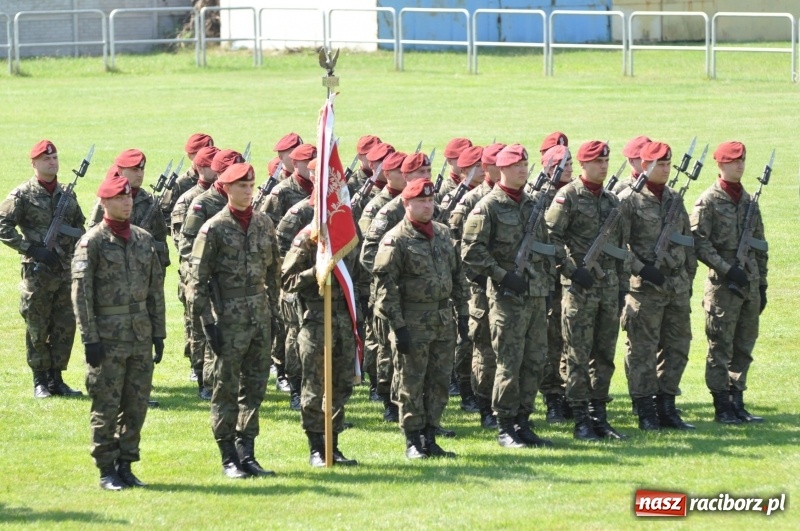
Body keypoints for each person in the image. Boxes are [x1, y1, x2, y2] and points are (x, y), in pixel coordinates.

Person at [71, 174, 166, 490]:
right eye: (119, 199)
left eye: (128, 198)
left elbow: (155, 290)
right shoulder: (92, 242)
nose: (127, 203)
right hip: (108, 338)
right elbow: (81, 294)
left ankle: (126, 464)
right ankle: (106, 468)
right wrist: (89, 338)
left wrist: (159, 333)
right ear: (105, 203)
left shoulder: (142, 239)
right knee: (107, 405)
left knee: (136, 403)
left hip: (139, 333)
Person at [187, 162, 280, 478]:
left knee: (254, 388)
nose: (248, 191)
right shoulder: (213, 228)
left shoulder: (264, 223)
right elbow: (196, 280)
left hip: (259, 317)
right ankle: (228, 456)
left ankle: (247, 452)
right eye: (241, 186)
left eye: (251, 185)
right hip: (228, 319)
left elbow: (274, 272)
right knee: (225, 389)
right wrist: (207, 324)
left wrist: (275, 312)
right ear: (226, 189)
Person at [461, 144, 554, 449]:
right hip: (506, 299)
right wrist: (503, 275)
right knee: (509, 363)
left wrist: (546, 281)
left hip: (535, 295)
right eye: (516, 166)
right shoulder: (487, 207)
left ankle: (524, 421)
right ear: (501, 169)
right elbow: (471, 252)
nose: (522, 170)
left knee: (535, 361)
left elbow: (544, 247)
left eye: (525, 165)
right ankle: (505, 424)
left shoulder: (533, 204)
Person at [373, 178, 468, 459]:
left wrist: (462, 313)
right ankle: (413, 439)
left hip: (441, 319)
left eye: (430, 200)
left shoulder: (442, 234)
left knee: (438, 380)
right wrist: (398, 327)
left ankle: (430, 434)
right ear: (406, 204)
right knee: (411, 381)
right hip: (412, 320)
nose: (427, 206)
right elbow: (385, 287)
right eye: (420, 202)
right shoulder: (396, 239)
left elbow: (457, 276)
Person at [544, 140, 630, 441]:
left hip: (608, 289)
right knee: (577, 355)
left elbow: (621, 248)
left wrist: (622, 287)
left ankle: (599, 416)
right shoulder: (567, 197)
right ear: (583, 164)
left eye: (606, 161)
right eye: (597, 162)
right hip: (579, 290)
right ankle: (580, 418)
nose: (603, 166)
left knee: (604, 355)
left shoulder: (610, 201)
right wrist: (571, 269)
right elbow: (550, 238)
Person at [618, 141, 696, 431]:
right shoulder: (629, 200)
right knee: (642, 351)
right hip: (644, 289)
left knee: (677, 347)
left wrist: (688, 275)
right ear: (645, 165)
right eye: (659, 164)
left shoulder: (675, 198)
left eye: (667, 164)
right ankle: (645, 409)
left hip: (675, 286)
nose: (665, 169)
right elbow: (616, 246)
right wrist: (641, 269)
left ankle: (667, 406)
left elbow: (688, 240)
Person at [0, 140, 85, 398]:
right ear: (34, 163)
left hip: (64, 270)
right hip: (37, 273)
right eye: (46, 159)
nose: (52, 162)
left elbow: (80, 226)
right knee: (37, 325)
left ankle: (56, 379)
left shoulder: (67, 194)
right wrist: (30, 249)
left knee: (64, 325)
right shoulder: (23, 194)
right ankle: (40, 380)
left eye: (55, 158)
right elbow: (2, 225)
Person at [690, 141, 767, 424]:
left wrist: (762, 283)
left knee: (744, 346)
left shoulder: (749, 202)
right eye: (734, 161)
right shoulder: (708, 201)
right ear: (720, 165)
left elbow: (759, 245)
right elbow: (699, 242)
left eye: (742, 160)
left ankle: (737, 400)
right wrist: (725, 268)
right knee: (720, 347)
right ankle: (722, 404)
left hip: (749, 283)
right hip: (723, 287)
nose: (740, 165)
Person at [281, 212, 362, 467]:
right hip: (316, 320)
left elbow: (359, 276)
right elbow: (287, 280)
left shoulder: (346, 235)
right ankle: (317, 447)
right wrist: (316, 271)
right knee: (315, 386)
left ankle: (333, 444)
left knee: (341, 385)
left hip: (344, 320)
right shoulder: (307, 239)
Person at [448, 142, 506, 429]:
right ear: (487, 167)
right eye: (499, 163)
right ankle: (483, 403)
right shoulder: (472, 201)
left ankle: (509, 405)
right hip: (480, 287)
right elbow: (457, 247)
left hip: (510, 288)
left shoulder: (517, 200)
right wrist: (478, 276)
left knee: (508, 349)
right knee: (483, 347)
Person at [179, 148, 244, 400]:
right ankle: (206, 382)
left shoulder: (238, 201)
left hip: (234, 282)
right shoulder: (202, 204)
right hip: (208, 280)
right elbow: (187, 245)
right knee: (207, 333)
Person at [258, 143, 316, 395]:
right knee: (289, 329)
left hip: (319, 274)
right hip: (291, 273)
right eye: (308, 163)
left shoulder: (325, 195)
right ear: (295, 164)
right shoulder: (282, 194)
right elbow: (270, 235)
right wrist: (285, 273)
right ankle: (287, 375)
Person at [357, 150, 407, 401]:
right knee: (381, 343)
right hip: (382, 289)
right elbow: (368, 254)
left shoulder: (417, 203)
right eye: (402, 172)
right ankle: (381, 389)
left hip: (413, 291)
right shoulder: (379, 208)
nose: (408, 177)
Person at [170, 145, 219, 389]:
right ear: (201, 167)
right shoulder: (190, 201)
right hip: (195, 275)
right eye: (214, 165)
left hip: (222, 278)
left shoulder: (224, 196)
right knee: (198, 327)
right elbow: (183, 243)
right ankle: (199, 372)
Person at [532, 144, 574, 424]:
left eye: (570, 162)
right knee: (551, 341)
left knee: (574, 340)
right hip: (548, 281)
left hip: (574, 278)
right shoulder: (537, 199)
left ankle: (573, 394)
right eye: (561, 164)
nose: (568, 167)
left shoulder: (579, 194)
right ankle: (553, 398)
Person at [87, 149, 170, 271]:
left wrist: (158, 272)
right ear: (120, 171)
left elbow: (160, 240)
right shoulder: (107, 201)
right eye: (134, 170)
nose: (140, 174)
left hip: (144, 270)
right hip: (112, 269)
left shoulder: (150, 202)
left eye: (142, 170)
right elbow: (92, 236)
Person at [160, 132, 214, 225]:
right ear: (190, 156)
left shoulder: (216, 178)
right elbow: (163, 216)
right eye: (200, 154)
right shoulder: (179, 184)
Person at [436, 137, 473, 203]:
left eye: (470, 158)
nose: (467, 162)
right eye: (461, 158)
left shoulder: (478, 183)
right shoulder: (442, 190)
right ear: (449, 161)